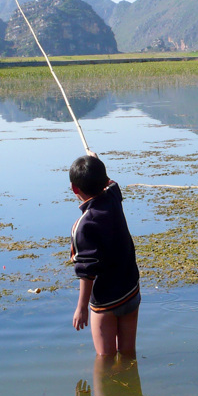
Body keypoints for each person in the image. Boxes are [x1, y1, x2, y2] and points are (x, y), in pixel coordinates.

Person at [70, 153, 141, 358]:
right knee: (128, 354)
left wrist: (81, 308)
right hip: (130, 290)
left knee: (105, 359)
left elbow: (87, 271)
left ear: (75, 189)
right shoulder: (113, 196)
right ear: (104, 180)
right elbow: (110, 182)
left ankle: (106, 389)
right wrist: (96, 161)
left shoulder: (84, 225)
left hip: (105, 302)